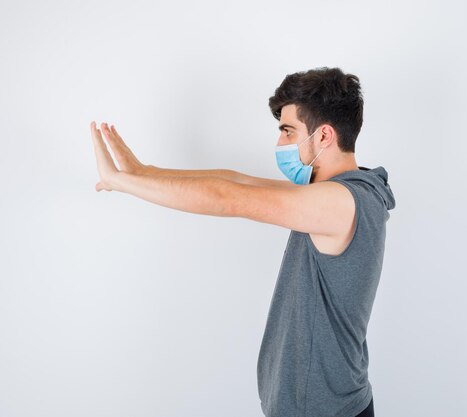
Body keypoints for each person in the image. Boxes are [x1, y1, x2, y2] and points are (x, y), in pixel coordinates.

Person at [90, 67, 396, 417]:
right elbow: (237, 181)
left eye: (287, 131)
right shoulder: (335, 194)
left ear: (324, 135)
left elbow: (228, 197)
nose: (279, 144)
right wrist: (141, 172)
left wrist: (121, 183)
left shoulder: (341, 202)